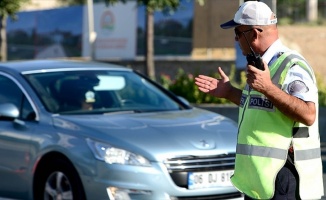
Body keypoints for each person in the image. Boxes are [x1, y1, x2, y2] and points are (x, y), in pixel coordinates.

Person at [194, 1, 324, 199]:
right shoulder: (262, 64)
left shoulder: (292, 66)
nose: (236, 40)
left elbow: (308, 114)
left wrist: (268, 88)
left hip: (284, 178)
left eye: (238, 33)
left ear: (253, 34)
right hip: (261, 183)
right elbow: (261, 106)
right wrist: (229, 92)